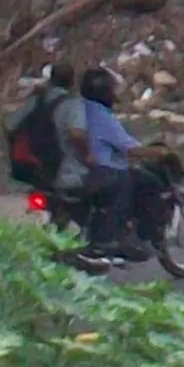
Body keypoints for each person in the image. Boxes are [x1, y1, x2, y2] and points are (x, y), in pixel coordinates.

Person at [57, 66, 141, 255]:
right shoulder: (101, 115)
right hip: (92, 170)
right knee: (126, 182)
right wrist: (159, 151)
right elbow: (129, 147)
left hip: (61, 170)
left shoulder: (74, 106)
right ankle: (107, 238)